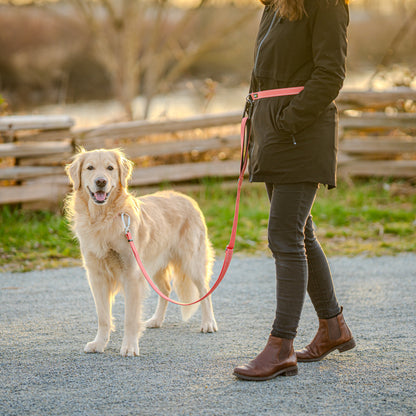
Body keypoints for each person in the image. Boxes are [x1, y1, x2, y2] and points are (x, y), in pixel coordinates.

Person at [233, 0, 355, 381]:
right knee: (301, 231)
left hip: (301, 134)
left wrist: (289, 121)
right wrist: (257, 128)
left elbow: (331, 74)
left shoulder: (328, 5)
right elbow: (263, 78)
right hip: (272, 134)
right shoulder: (274, 7)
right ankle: (333, 327)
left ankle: (281, 347)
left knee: (284, 235)